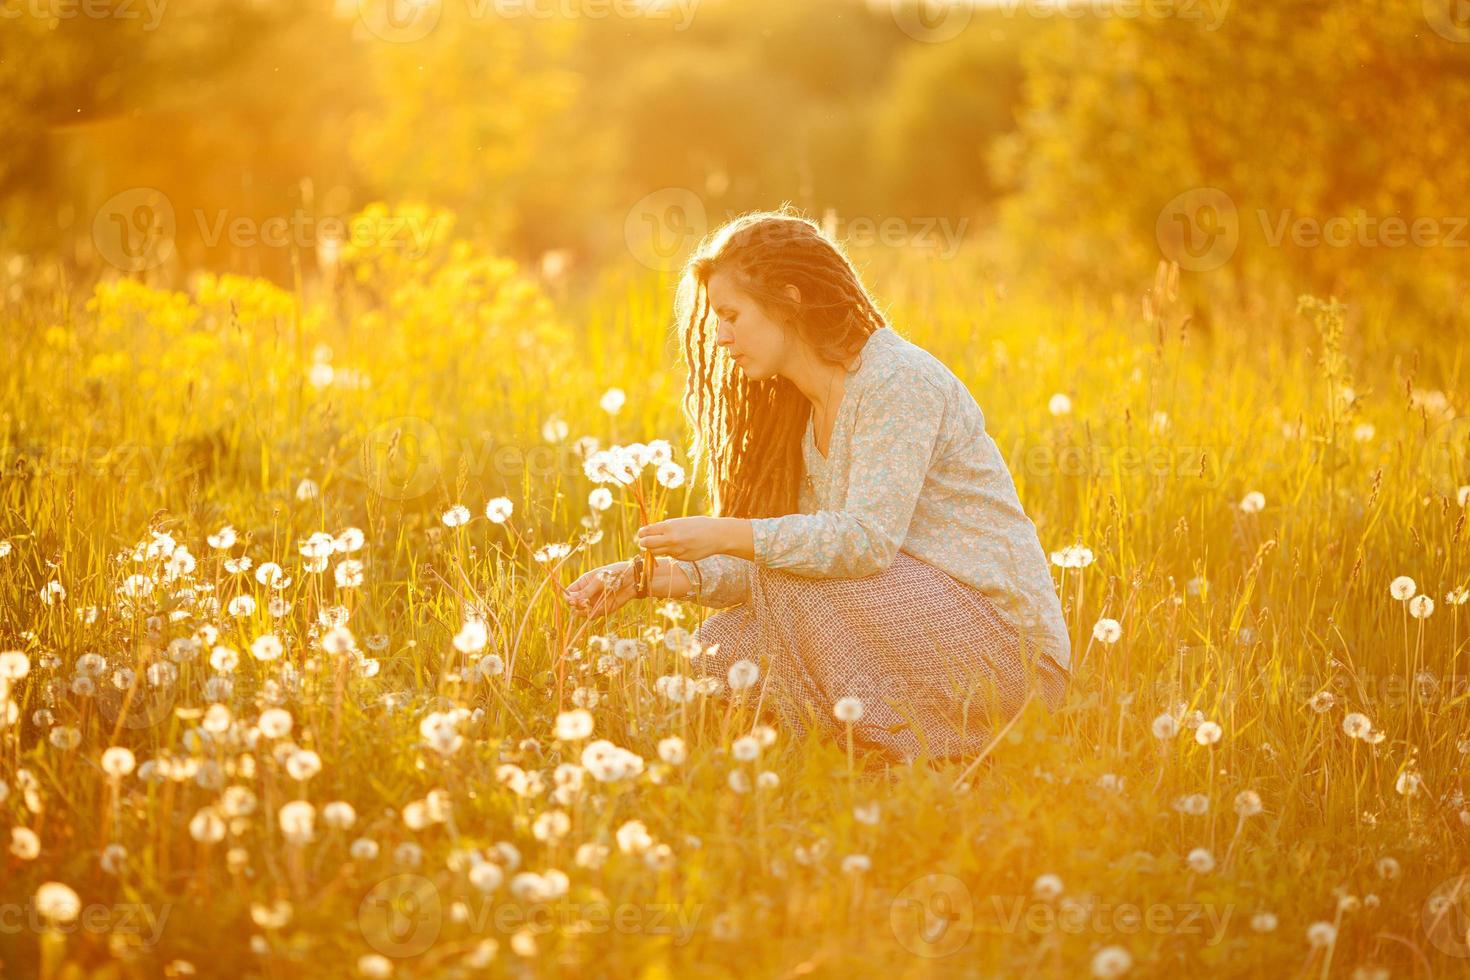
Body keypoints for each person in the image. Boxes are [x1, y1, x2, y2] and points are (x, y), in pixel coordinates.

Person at [565, 206, 1071, 762]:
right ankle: (859, 742)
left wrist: (728, 532)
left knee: (790, 571)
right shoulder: (803, 410)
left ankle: (919, 750)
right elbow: (787, 553)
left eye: (732, 315)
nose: (722, 337)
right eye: (717, 319)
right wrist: (650, 579)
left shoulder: (896, 381)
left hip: (1009, 655)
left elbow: (862, 543)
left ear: (790, 299)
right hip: (911, 624)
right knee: (717, 653)